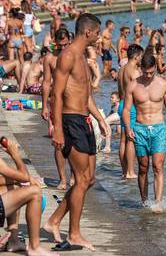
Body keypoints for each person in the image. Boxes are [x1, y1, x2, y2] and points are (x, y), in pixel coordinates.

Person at [47, 13, 109, 251]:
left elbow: (86, 94)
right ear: (88, 32)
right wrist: (58, 129)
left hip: (84, 120)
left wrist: (100, 119)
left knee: (89, 179)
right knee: (81, 179)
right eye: (97, 33)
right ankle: (73, 234)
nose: (99, 37)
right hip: (70, 121)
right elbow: (57, 94)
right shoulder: (68, 56)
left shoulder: (83, 56)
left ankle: (54, 221)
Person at [0, 117, 57, 256]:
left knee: (15, 187)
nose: (0, 136)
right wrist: (15, 155)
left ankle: (14, 240)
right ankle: (35, 246)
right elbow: (25, 176)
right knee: (34, 191)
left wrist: (17, 181)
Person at [122, 54, 166, 212]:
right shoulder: (132, 86)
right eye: (145, 72)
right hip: (140, 128)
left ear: (155, 69)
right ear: (141, 69)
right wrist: (128, 128)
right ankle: (145, 201)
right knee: (143, 167)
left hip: (159, 128)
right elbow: (126, 110)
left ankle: (158, 203)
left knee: (158, 166)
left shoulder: (163, 84)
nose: (148, 76)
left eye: (151, 72)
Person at [41, 28, 71, 190]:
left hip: (73, 102)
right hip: (56, 102)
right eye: (60, 45)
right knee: (58, 143)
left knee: (74, 141)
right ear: (55, 43)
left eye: (66, 45)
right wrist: (44, 105)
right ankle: (63, 179)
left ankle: (73, 177)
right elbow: (46, 82)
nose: (63, 48)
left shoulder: (74, 56)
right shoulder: (50, 58)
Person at [117, 44, 144, 179]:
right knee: (130, 139)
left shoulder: (122, 69)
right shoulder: (133, 71)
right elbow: (139, 91)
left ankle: (124, 171)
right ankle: (130, 172)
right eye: (141, 56)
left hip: (121, 105)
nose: (142, 59)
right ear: (136, 56)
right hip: (131, 106)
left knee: (123, 140)